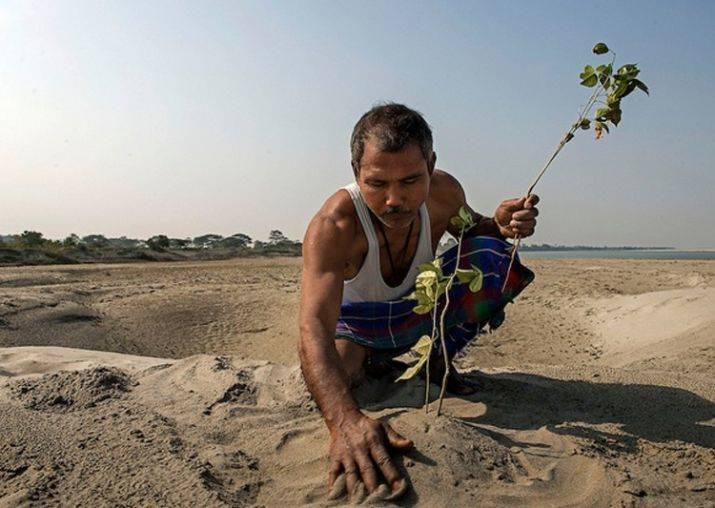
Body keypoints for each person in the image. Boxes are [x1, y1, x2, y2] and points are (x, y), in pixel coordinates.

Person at [298, 103, 539, 501]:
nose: (395, 199)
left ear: (431, 164)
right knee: (341, 376)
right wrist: (344, 422)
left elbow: (473, 229)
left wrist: (499, 224)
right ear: (356, 170)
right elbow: (313, 327)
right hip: (356, 324)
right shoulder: (333, 225)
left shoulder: (445, 192)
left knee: (493, 254)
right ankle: (375, 361)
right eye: (377, 184)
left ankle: (437, 361)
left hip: (419, 311)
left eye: (411, 180)